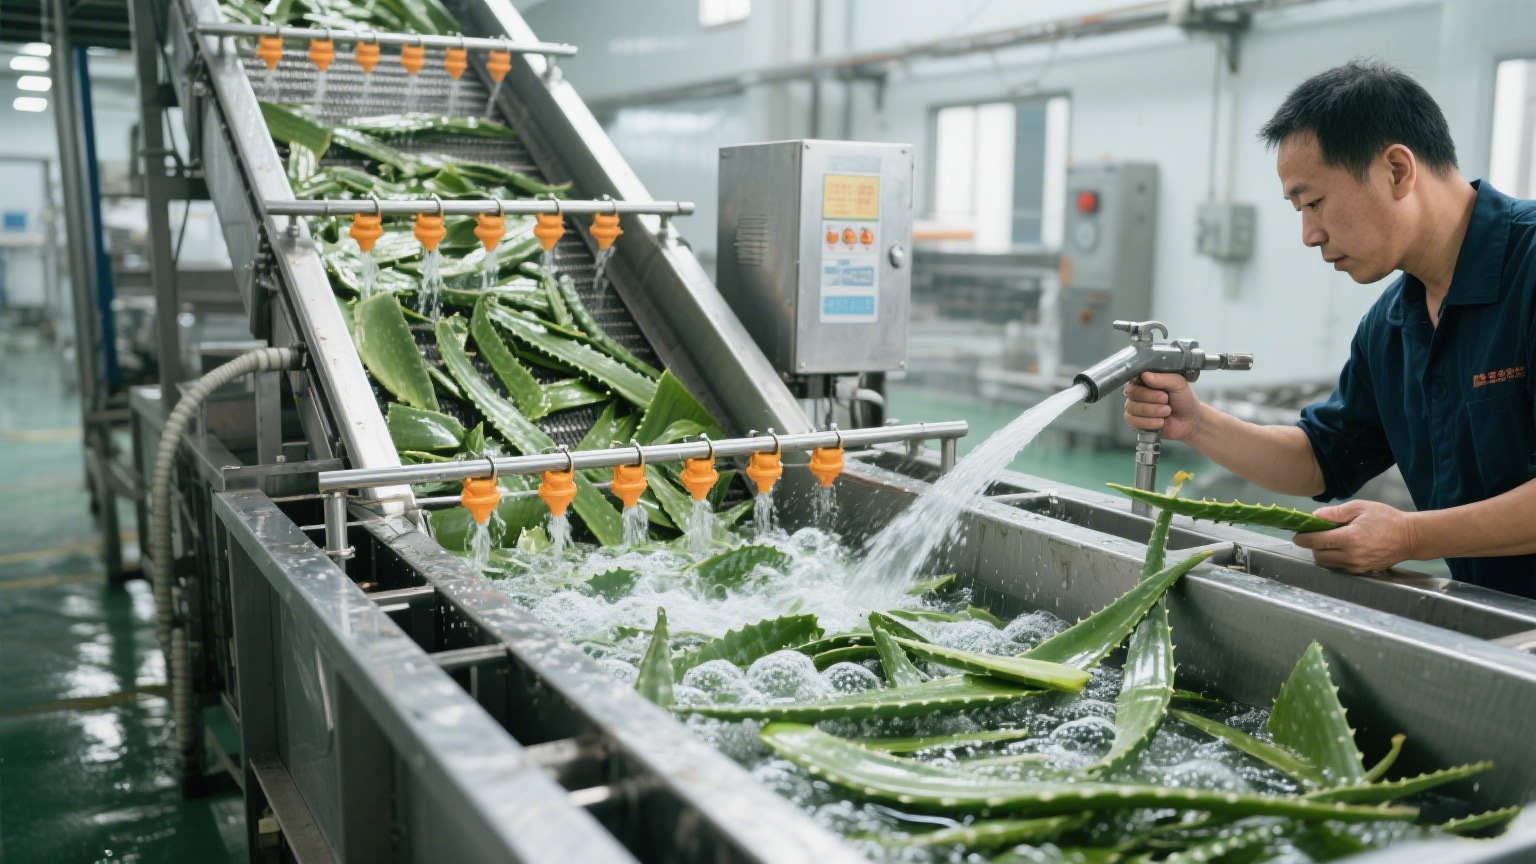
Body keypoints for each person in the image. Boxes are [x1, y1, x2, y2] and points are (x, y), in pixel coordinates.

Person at [1123, 59, 1536, 598]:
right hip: (1503, 624)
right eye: (1298, 208)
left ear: (1397, 170)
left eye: (1315, 202)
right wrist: (1195, 422)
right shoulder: (1391, 326)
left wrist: (1411, 535)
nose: (1309, 234)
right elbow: (1321, 459)